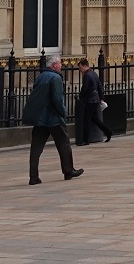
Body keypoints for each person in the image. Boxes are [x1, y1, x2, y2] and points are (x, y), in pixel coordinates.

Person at [21, 56, 83, 184]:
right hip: (52, 117)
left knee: (36, 148)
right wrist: (63, 112)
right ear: (54, 65)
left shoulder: (41, 76)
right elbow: (57, 99)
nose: (61, 65)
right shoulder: (56, 78)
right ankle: (68, 170)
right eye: (60, 63)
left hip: (39, 118)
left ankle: (33, 176)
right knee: (64, 143)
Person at [75, 59, 112, 145]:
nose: (80, 70)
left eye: (80, 67)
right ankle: (108, 131)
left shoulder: (87, 75)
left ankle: (85, 140)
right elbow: (99, 85)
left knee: (86, 120)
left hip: (90, 100)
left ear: (85, 66)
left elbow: (85, 88)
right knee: (94, 119)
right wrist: (101, 97)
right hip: (96, 99)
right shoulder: (94, 73)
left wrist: (80, 96)